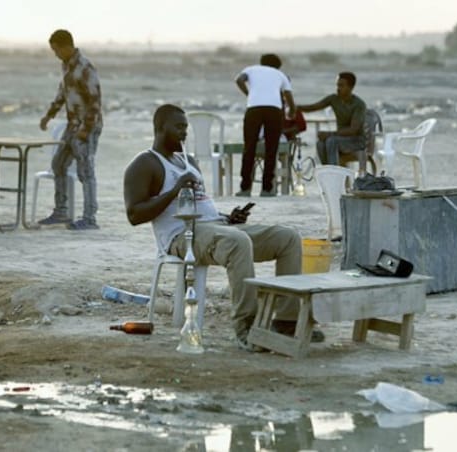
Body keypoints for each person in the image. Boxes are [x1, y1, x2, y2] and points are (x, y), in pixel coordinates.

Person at [123, 104, 323, 351]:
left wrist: (228, 218)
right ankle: (246, 327)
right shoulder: (145, 163)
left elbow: (201, 206)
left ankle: (286, 321)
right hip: (181, 236)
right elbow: (134, 214)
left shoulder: (188, 160)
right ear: (160, 127)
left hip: (215, 227)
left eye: (186, 127)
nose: (185, 133)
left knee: (288, 237)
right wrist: (176, 190)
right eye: (179, 127)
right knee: (238, 242)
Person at [37, 29, 103, 230]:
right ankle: (61, 211)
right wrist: (49, 115)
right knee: (59, 165)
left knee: (86, 171)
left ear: (66, 46)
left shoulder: (85, 68)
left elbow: (95, 101)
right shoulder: (66, 67)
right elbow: (62, 94)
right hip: (72, 126)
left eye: (56, 50)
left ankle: (90, 218)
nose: (55, 54)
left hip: (86, 127)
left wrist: (86, 128)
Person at [234, 54, 295, 197]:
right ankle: (267, 189)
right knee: (271, 149)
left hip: (254, 109)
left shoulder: (251, 69)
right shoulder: (280, 74)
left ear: (261, 63)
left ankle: (245, 188)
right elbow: (288, 95)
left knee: (249, 147)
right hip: (274, 110)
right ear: (278, 66)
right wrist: (292, 111)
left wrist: (248, 94)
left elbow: (238, 80)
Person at [297, 71, 367, 173]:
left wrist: (329, 134)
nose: (338, 88)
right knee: (320, 144)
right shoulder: (334, 99)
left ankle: (335, 174)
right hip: (340, 139)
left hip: (357, 141)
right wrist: (295, 108)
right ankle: (329, 173)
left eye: (341, 85)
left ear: (351, 87)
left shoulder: (358, 104)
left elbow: (353, 130)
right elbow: (313, 107)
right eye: (337, 85)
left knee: (331, 140)